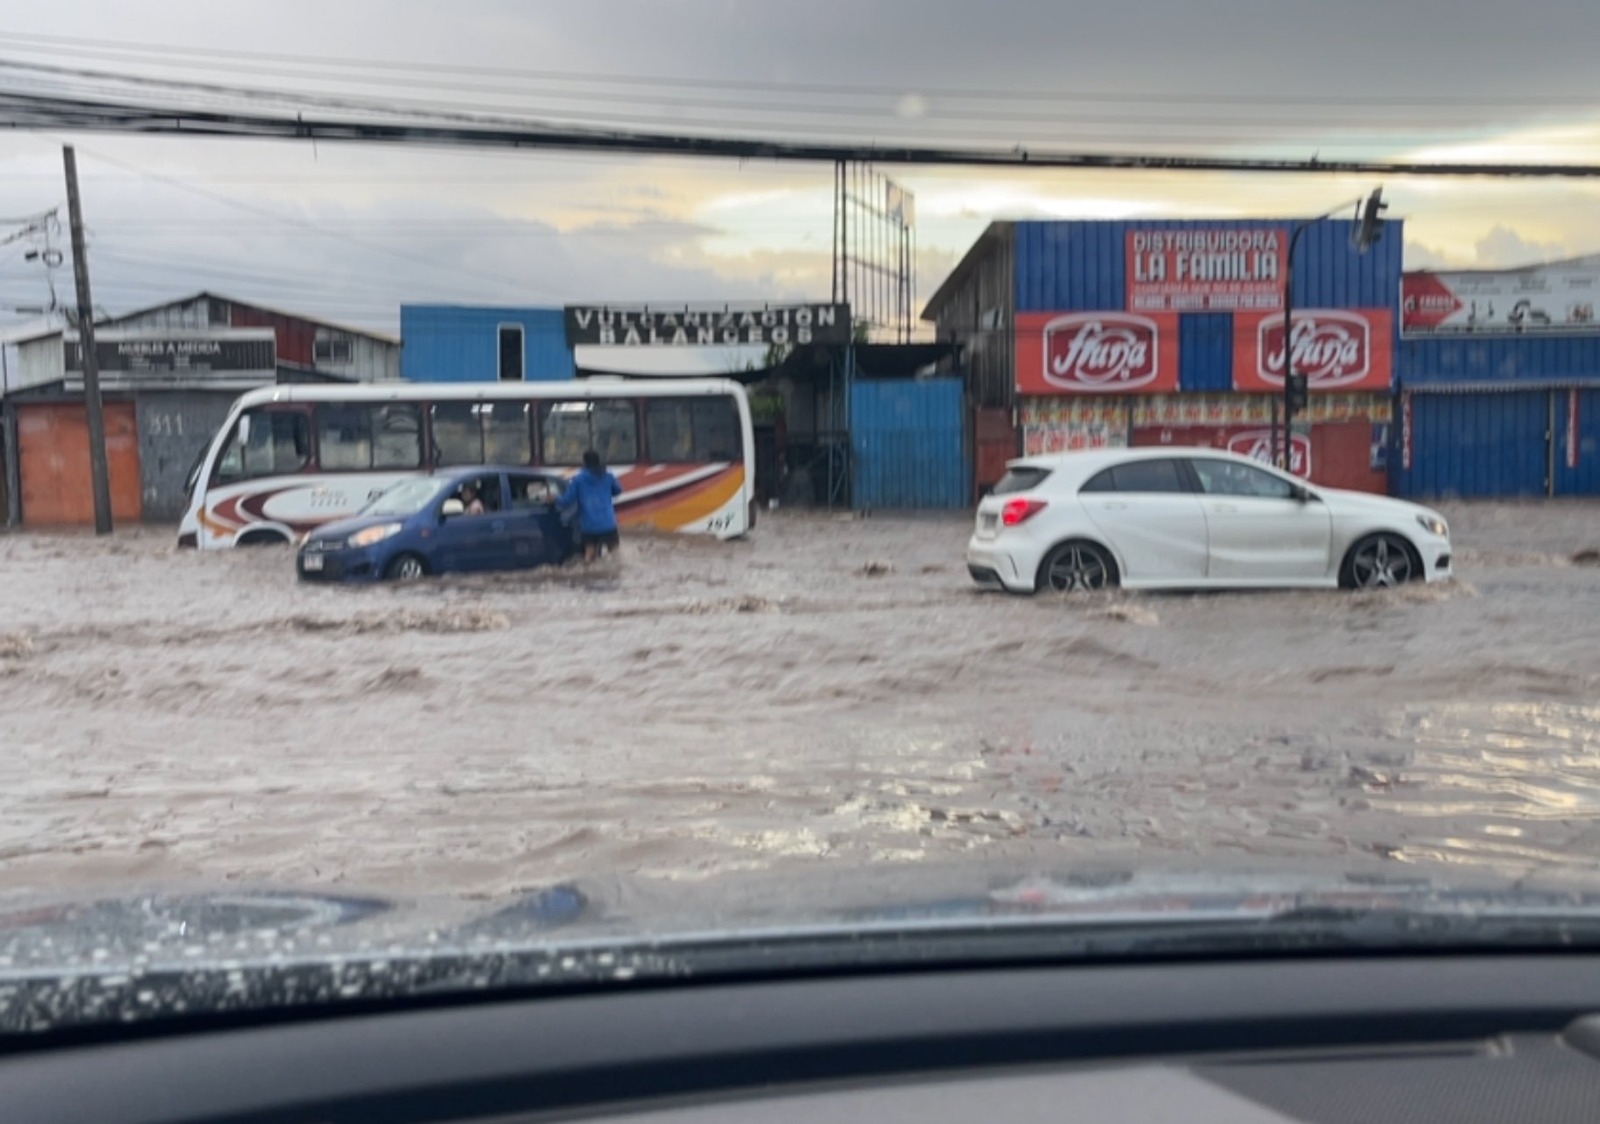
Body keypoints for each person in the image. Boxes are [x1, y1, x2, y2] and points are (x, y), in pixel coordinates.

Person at [558, 450, 623, 563]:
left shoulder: (578, 479)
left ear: (584, 462)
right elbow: (618, 490)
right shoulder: (608, 476)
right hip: (608, 523)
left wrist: (554, 499)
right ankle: (617, 577)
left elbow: (566, 501)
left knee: (589, 556)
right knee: (615, 555)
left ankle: (588, 578)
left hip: (589, 525)